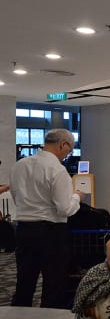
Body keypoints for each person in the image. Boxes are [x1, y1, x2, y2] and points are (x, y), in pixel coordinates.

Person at [10, 128, 84, 307]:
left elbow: (15, 196)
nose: (68, 153)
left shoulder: (19, 165)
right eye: (70, 148)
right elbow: (64, 208)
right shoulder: (57, 170)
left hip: (23, 230)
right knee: (54, 283)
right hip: (51, 233)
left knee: (25, 281)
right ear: (62, 145)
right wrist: (77, 197)